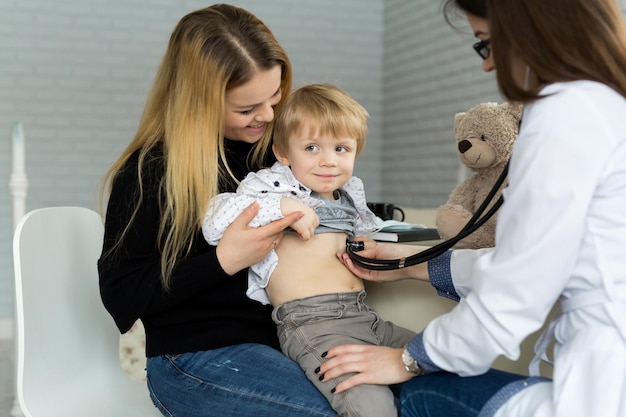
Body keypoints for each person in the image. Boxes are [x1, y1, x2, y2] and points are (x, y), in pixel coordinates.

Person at [319, 1, 626, 416]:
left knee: (413, 394)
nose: (487, 66)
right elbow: (530, 261)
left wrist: (409, 359)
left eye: (486, 44)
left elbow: (517, 287)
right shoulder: (606, 103)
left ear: (529, 29)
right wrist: (411, 264)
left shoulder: (565, 114)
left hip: (600, 389)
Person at [97, 5, 341, 416]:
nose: (266, 116)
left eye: (275, 97)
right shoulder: (150, 170)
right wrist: (224, 260)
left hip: (288, 341)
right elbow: (121, 294)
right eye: (246, 109)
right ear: (198, 101)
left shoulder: (275, 153)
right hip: (193, 357)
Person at [202, 83, 416, 417]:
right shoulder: (272, 186)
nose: (329, 161)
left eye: (342, 149)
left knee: (437, 356)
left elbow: (368, 230)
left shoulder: (349, 193)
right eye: (312, 147)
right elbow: (213, 222)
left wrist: (377, 241)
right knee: (370, 405)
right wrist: (282, 206)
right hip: (314, 324)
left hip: (365, 316)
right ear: (283, 153)